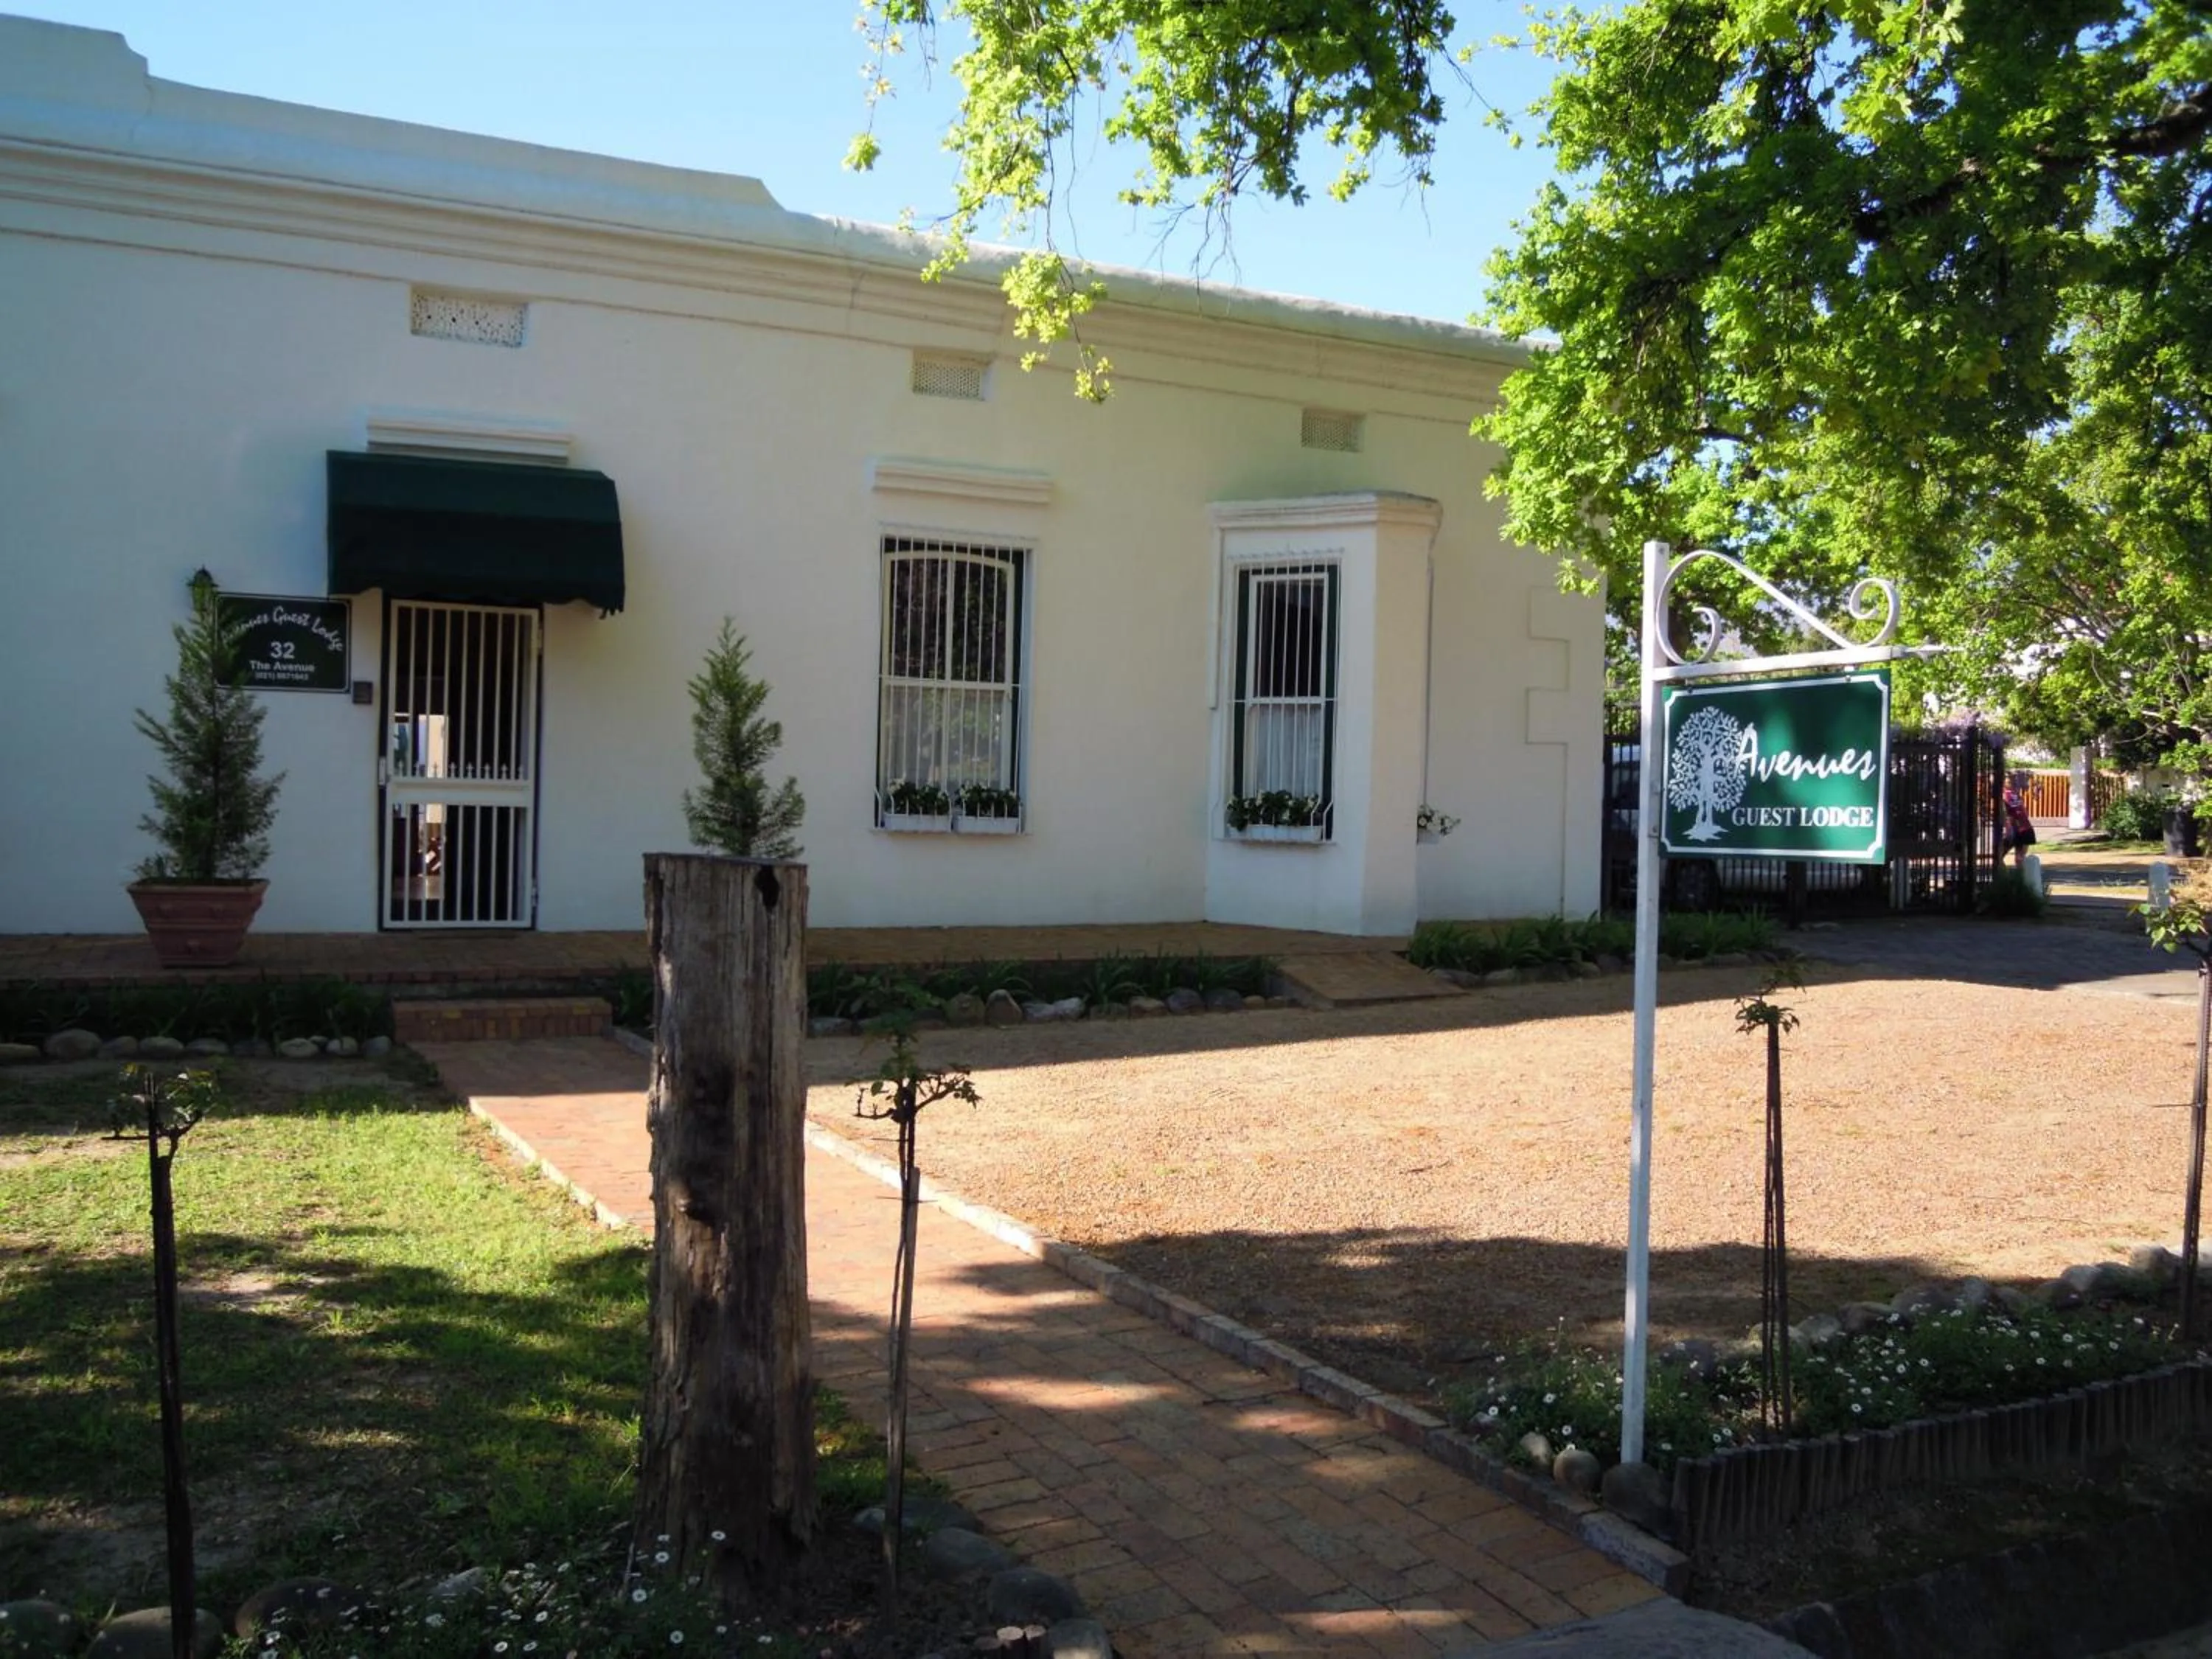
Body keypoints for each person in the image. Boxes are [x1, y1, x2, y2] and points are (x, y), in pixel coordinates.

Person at [2000, 770, 2037, 869]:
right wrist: (2006, 826)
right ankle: (2005, 878)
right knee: (1999, 857)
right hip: (2013, 828)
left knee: (2020, 858)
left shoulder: (2016, 793)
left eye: (2012, 781)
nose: (2011, 783)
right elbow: (2003, 812)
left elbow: (2025, 783)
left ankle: (2019, 879)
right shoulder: (2002, 794)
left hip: (2025, 827)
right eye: (2008, 781)